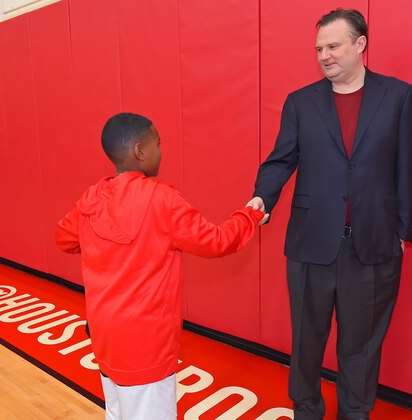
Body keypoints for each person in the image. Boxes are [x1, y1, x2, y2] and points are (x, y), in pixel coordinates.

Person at [248, 8, 412, 420]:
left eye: (333, 46)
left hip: (374, 246)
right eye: (319, 48)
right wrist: (261, 199)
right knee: (307, 339)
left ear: (360, 44)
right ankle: (306, 409)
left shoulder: (398, 96)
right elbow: (280, 160)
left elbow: (407, 167)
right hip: (310, 244)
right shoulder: (300, 103)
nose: (324, 55)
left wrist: (401, 231)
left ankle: (354, 413)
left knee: (360, 345)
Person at [55, 112, 265, 420]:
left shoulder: (92, 198)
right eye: (158, 144)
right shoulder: (162, 200)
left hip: (105, 336)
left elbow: (64, 238)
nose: (161, 151)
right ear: (140, 151)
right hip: (147, 345)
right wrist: (249, 215)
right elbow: (217, 241)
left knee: (117, 413)